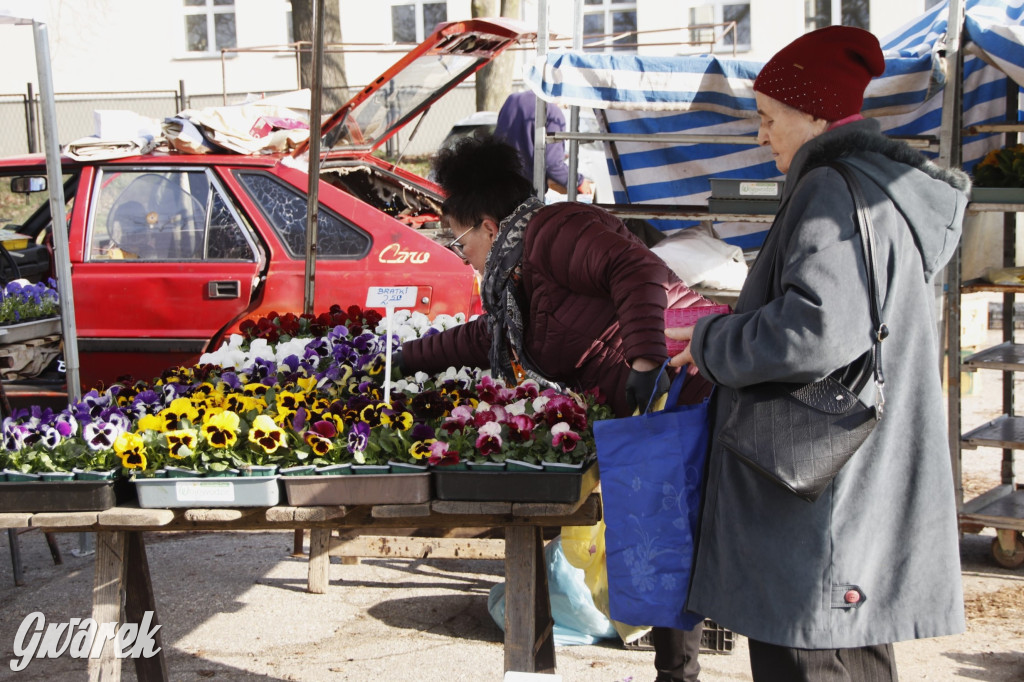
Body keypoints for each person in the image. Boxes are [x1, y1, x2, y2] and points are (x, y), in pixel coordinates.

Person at [666, 26, 968, 681]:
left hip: (822, 508)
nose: (761, 135)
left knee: (815, 658)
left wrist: (710, 342)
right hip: (859, 490)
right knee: (850, 658)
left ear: (815, 115)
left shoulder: (831, 189)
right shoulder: (878, 186)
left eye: (769, 118)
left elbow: (814, 333)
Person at [396, 134, 711, 682]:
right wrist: (405, 359)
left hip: (682, 383)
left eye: (460, 241)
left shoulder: (556, 228)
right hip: (649, 398)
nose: (463, 255)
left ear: (490, 226)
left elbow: (637, 270)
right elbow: (489, 336)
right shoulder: (521, 272)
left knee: (669, 539)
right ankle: (675, 674)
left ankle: (679, 674)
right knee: (657, 542)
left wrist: (641, 361)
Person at [495, 90, 595, 196]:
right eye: (566, 106)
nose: (565, 107)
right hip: (526, 192)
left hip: (499, 185)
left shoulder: (512, 99)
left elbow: (507, 141)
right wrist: (580, 182)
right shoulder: (553, 112)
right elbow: (552, 165)